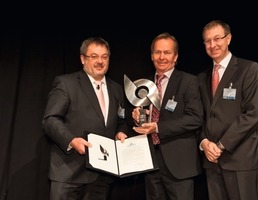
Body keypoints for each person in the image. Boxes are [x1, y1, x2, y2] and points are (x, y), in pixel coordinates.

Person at [42, 36, 129, 200]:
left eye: (104, 57)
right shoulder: (66, 83)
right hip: (69, 173)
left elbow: (121, 121)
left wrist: (121, 132)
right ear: (83, 59)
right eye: (94, 56)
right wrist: (71, 140)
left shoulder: (116, 89)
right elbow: (50, 119)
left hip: (101, 175)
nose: (99, 61)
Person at [197, 19, 258, 200]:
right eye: (207, 41)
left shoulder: (248, 69)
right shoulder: (201, 78)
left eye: (217, 38)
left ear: (229, 39)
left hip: (241, 159)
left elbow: (254, 114)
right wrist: (204, 142)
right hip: (211, 162)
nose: (213, 45)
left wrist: (221, 145)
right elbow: (199, 117)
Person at [131, 32, 203, 200]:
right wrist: (136, 115)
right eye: (157, 52)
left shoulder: (189, 81)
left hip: (179, 164)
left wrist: (158, 127)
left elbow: (195, 118)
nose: (161, 57)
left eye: (167, 52)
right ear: (151, 56)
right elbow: (141, 117)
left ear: (176, 57)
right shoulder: (144, 85)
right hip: (150, 162)